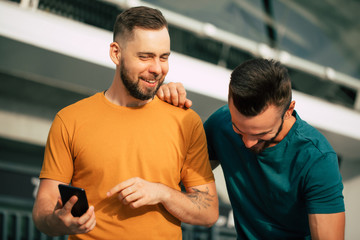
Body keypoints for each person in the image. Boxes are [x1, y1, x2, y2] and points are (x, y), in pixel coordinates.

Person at [32, 6, 218, 239]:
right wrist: (59, 220)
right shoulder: (70, 120)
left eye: (164, 57)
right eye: (145, 56)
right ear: (116, 53)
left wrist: (162, 193)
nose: (157, 69)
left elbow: (209, 213)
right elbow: (43, 208)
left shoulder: (186, 121)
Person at [157, 58, 345, 239]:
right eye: (238, 130)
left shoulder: (318, 159)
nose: (247, 143)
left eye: (261, 134)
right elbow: (174, 180)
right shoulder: (220, 124)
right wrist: (163, 109)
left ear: (288, 111)